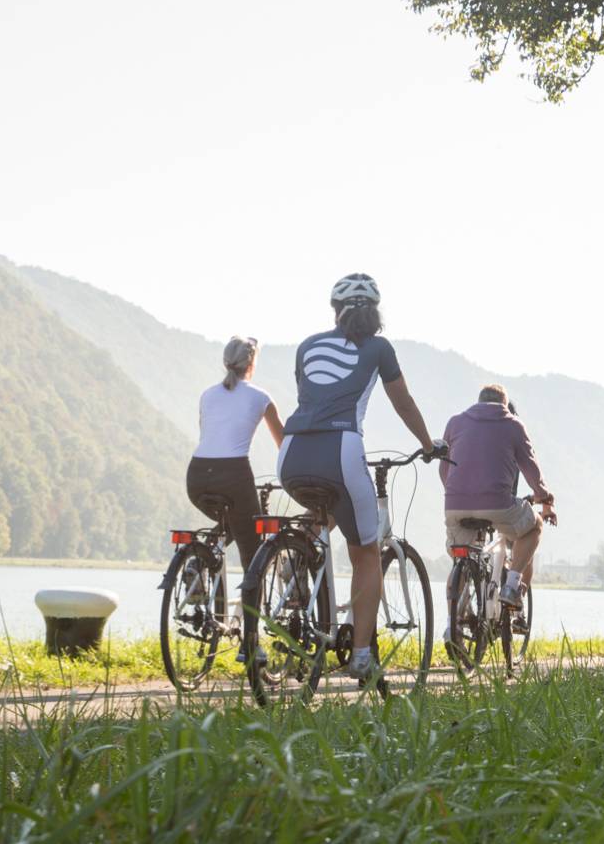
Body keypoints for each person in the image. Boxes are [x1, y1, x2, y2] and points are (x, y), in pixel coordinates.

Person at [276, 273, 439, 685]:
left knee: (321, 516)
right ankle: (362, 655)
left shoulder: (308, 345)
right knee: (365, 552)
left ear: (335, 310)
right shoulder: (379, 347)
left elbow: (308, 397)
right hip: (341, 449)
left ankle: (297, 574)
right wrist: (427, 443)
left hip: (291, 452)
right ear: (376, 311)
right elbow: (402, 402)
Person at [441, 384, 556, 625]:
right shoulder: (513, 424)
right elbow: (531, 469)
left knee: (460, 560)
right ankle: (512, 586)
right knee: (534, 527)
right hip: (498, 505)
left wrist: (458, 494)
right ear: (504, 406)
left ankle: (452, 625)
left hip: (455, 504)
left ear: (479, 401)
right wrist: (545, 497)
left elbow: (444, 469)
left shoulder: (454, 422)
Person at [188, 335, 284, 573]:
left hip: (197, 476)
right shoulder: (261, 397)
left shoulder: (207, 395)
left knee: (232, 523)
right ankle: (252, 610)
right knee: (253, 552)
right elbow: (284, 445)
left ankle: (199, 562)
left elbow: (208, 435)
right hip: (234, 476)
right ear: (252, 364)